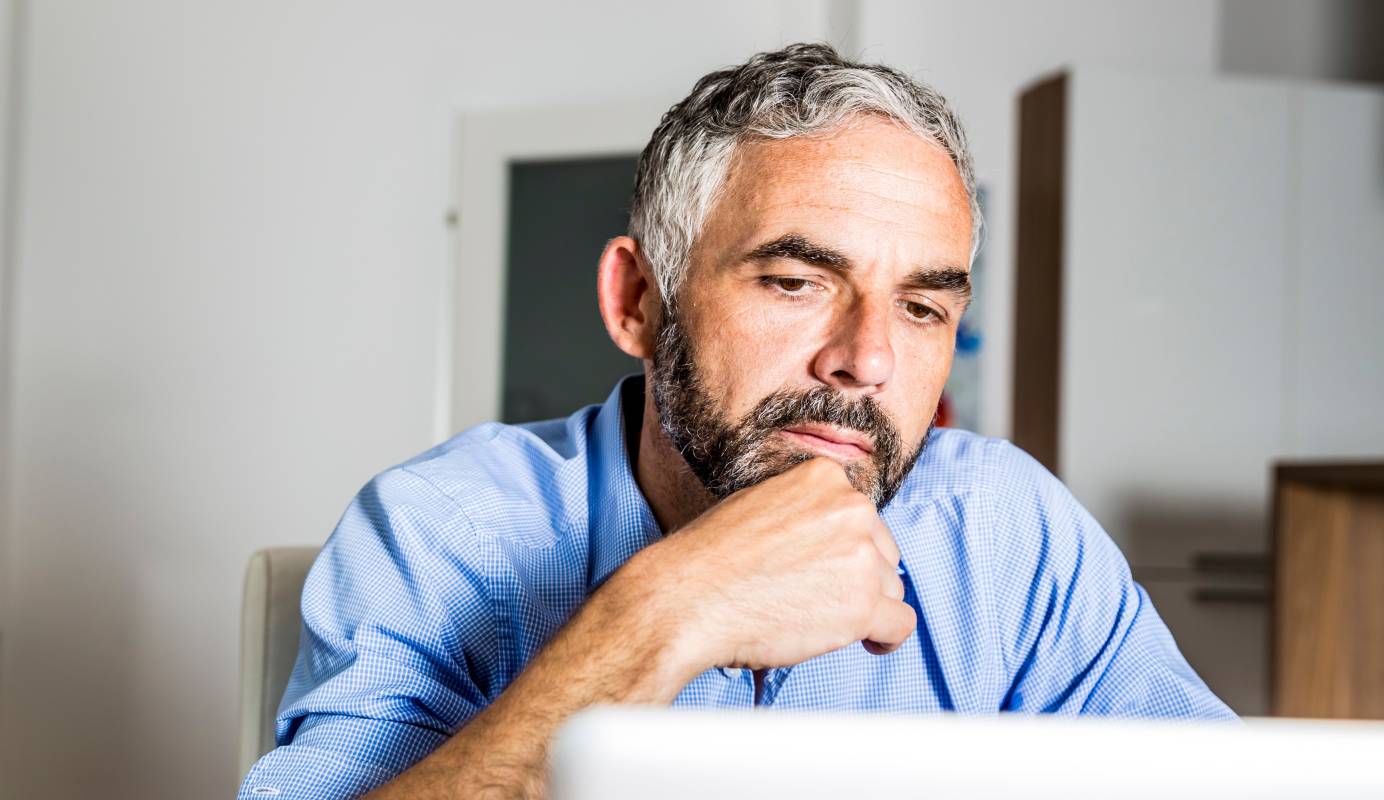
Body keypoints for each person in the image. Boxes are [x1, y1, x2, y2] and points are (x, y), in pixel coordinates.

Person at [239, 42, 1232, 800]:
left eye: (923, 306)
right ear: (638, 299)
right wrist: (666, 612)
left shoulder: (1011, 537)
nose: (869, 358)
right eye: (798, 281)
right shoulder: (440, 532)